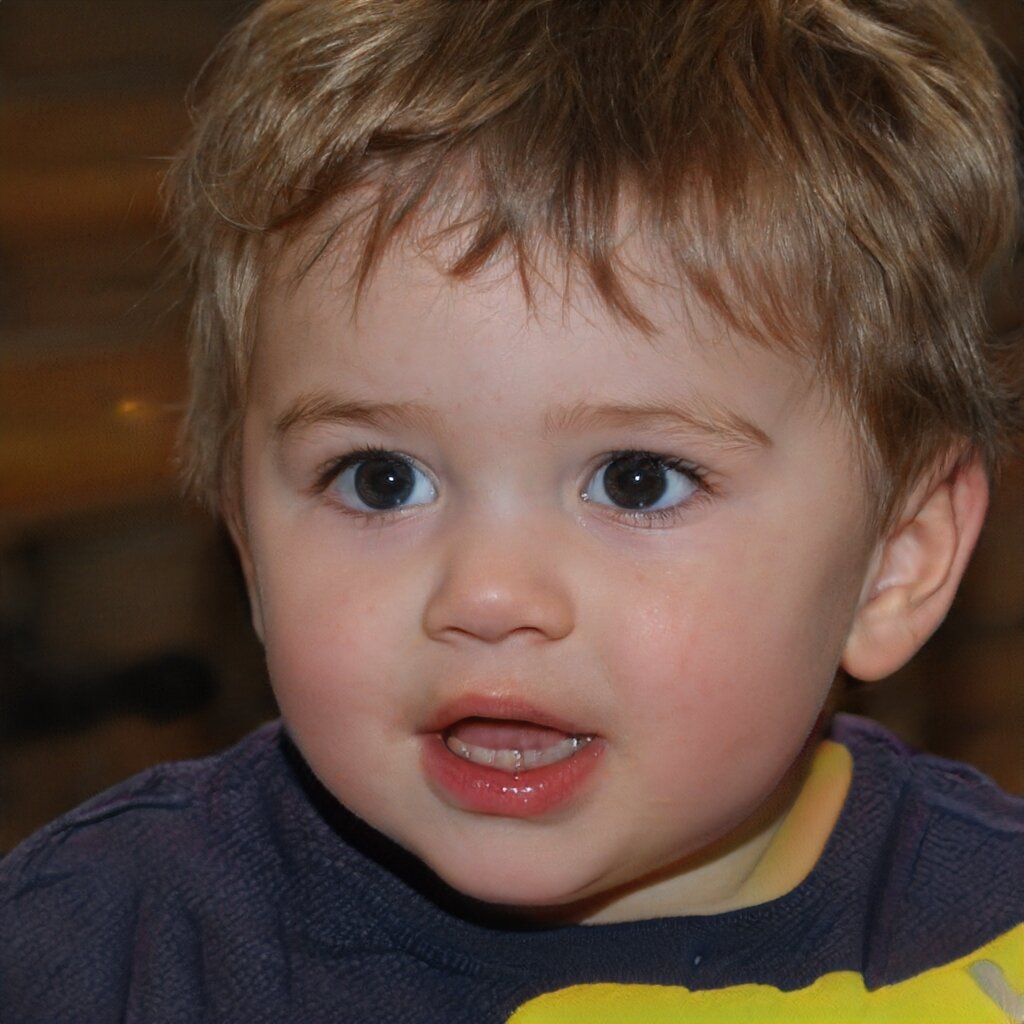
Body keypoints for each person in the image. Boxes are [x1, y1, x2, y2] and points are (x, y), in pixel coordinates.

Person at [2, 1, 1022, 1019]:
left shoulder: (993, 944)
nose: (487, 594)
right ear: (249, 542)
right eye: (379, 479)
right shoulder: (100, 949)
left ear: (898, 557)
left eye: (636, 480)